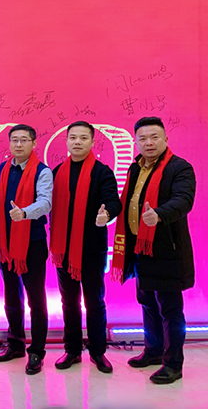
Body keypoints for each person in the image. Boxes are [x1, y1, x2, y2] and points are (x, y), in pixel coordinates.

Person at [111, 116, 195, 385]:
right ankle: (154, 350)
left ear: (165, 139)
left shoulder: (179, 168)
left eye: (154, 137)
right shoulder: (134, 168)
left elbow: (184, 200)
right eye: (143, 138)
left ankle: (173, 364)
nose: (148, 143)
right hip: (140, 248)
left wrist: (159, 214)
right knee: (147, 302)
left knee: (170, 309)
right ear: (136, 141)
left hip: (167, 250)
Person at [50, 121, 122, 374]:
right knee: (69, 302)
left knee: (94, 301)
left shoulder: (102, 172)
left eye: (83, 137)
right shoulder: (57, 172)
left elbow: (114, 201)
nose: (77, 142)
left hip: (91, 248)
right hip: (63, 249)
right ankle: (72, 350)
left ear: (92, 142)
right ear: (67, 141)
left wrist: (107, 214)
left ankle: (98, 351)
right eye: (73, 137)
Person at [0, 123, 52, 375]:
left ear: (34, 143)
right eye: (14, 140)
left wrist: (24, 213)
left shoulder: (43, 171)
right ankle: (15, 343)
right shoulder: (3, 168)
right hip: (6, 242)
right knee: (11, 296)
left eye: (24, 140)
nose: (18, 144)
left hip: (33, 242)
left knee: (36, 298)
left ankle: (36, 351)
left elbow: (46, 203)